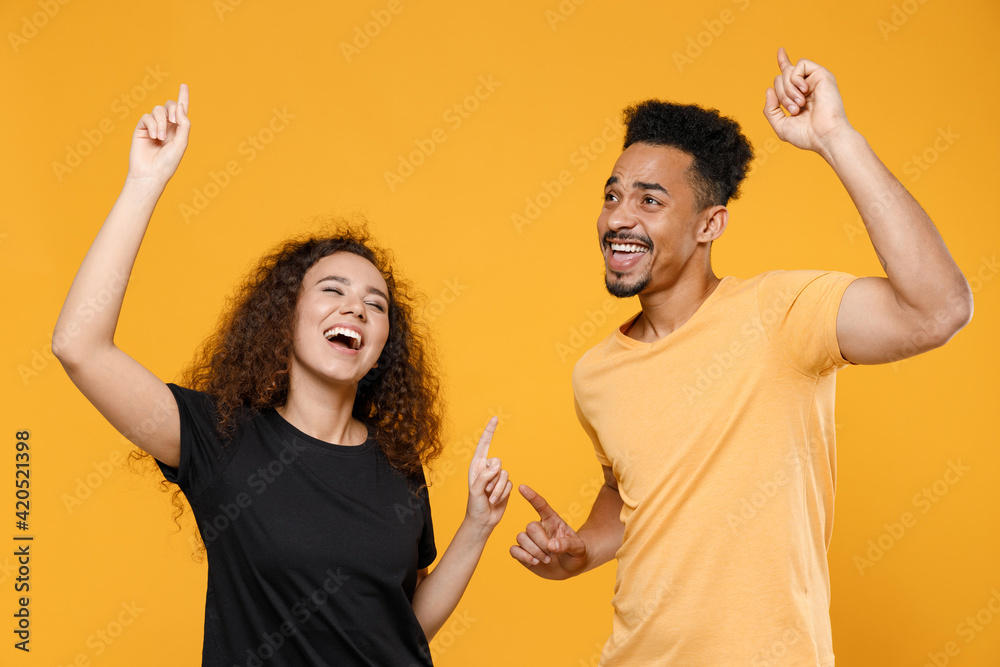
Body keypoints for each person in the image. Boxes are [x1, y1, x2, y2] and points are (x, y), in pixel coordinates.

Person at [509, 48, 973, 665]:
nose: (619, 216)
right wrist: (584, 549)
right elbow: (629, 491)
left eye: (650, 201)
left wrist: (835, 137)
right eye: (612, 195)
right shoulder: (595, 372)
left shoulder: (782, 314)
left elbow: (937, 309)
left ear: (710, 225)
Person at [53, 84, 512, 666]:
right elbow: (79, 346)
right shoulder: (221, 439)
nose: (356, 309)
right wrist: (145, 183)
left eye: (376, 304)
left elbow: (402, 624)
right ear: (284, 318)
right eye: (333, 291)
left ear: (383, 346)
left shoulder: (398, 465)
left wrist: (476, 526)